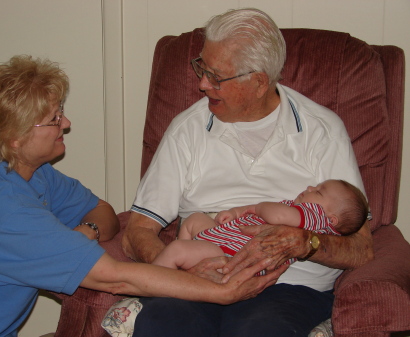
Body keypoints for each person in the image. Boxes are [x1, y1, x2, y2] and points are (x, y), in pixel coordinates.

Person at [0, 55, 284, 337]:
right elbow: (115, 279)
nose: (67, 123)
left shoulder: (28, 173)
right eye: (54, 119)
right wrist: (223, 291)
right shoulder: (2, 211)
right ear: (14, 137)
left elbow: (103, 212)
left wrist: (87, 233)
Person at [122, 8, 373, 337]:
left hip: (289, 286)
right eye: (201, 67)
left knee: (259, 330)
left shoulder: (321, 130)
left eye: (216, 76)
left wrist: (306, 242)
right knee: (163, 324)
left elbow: (363, 247)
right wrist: (188, 271)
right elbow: (137, 231)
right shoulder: (187, 129)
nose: (201, 84)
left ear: (258, 83)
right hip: (200, 276)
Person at [153, 179, 369, 271]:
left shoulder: (314, 219)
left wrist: (260, 207)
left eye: (319, 191)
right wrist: (234, 213)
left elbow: (277, 216)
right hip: (224, 236)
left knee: (176, 249)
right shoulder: (300, 210)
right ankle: (182, 266)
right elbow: (255, 210)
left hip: (230, 253)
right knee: (194, 219)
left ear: (331, 220)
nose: (311, 186)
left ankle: (157, 282)